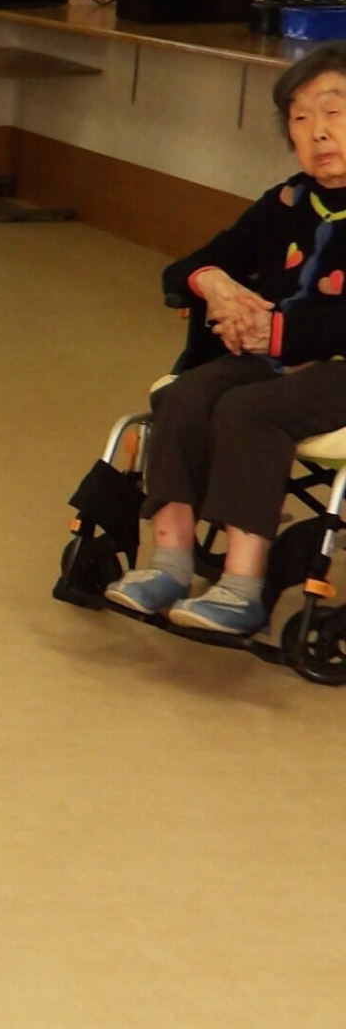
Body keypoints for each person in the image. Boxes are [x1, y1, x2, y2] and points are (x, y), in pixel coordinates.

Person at [107, 43, 346, 638]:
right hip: (279, 360)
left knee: (249, 410)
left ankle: (241, 586)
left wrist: (279, 330)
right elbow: (188, 267)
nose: (317, 132)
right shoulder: (288, 201)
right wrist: (215, 286)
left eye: (334, 112)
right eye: (299, 118)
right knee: (184, 393)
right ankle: (170, 562)